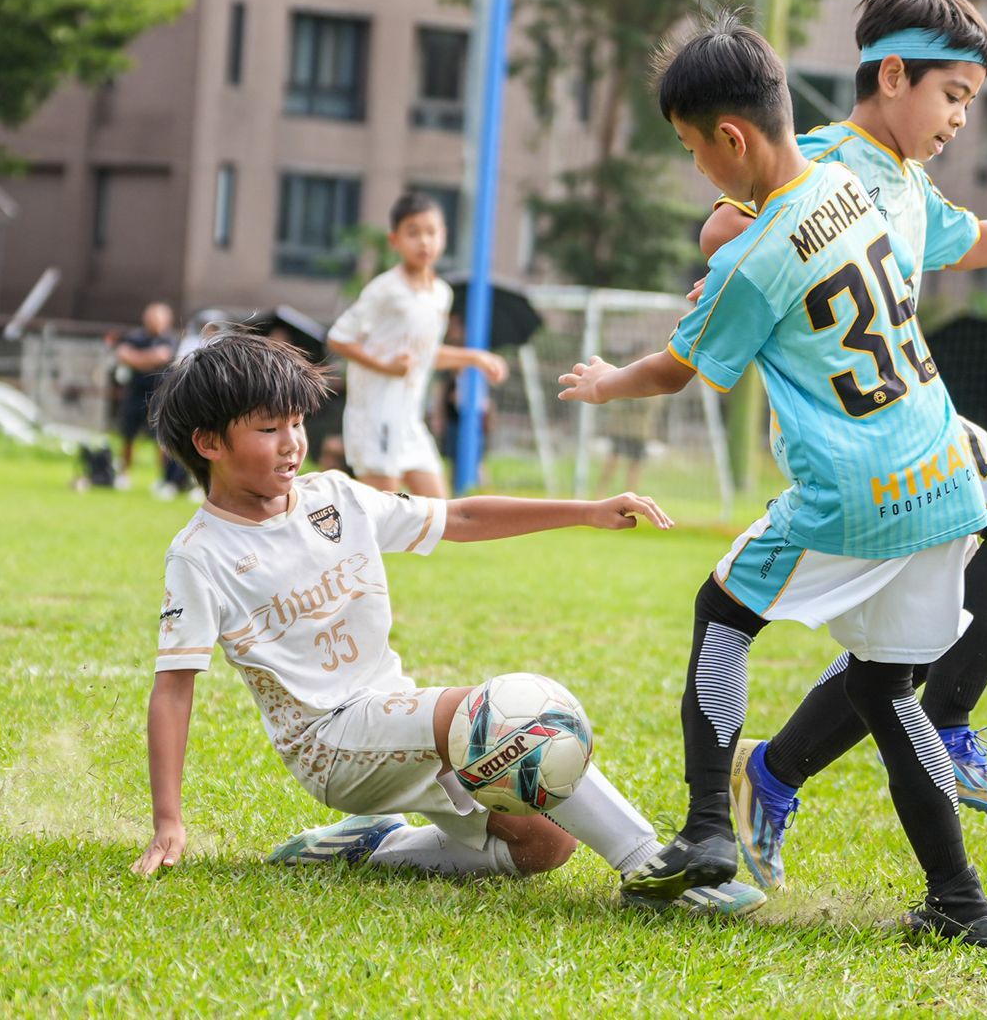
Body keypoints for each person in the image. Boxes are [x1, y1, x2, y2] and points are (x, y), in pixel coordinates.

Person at [560, 13, 987, 945]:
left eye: (692, 150)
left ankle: (707, 832)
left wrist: (604, 382)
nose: (698, 170)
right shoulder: (847, 185)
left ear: (731, 137)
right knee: (887, 688)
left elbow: (676, 372)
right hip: (944, 476)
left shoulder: (752, 259)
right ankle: (962, 903)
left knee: (722, 613)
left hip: (854, 493)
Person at [692, 0, 987, 833]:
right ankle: (844, 752)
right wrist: (753, 255)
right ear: (893, 74)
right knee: (890, 657)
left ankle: (897, 736)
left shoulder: (908, 181)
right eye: (954, 95)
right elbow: (722, 224)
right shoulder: (823, 157)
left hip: (912, 415)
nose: (962, 118)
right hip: (853, 436)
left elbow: (968, 239)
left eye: (972, 102)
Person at [130, 331, 763, 919]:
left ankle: (372, 847)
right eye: (269, 428)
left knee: (544, 846)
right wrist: (168, 822)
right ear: (209, 444)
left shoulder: (335, 498)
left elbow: (458, 517)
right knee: (506, 717)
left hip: (395, 712)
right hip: (328, 745)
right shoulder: (200, 554)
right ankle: (655, 868)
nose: (292, 441)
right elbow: (173, 689)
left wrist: (587, 511)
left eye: (296, 422)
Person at [328, 193, 508, 497]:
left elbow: (425, 355)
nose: (424, 241)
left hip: (410, 421)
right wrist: (386, 366)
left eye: (431, 232)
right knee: (384, 515)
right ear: (394, 240)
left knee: (440, 511)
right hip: (374, 420)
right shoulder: (384, 290)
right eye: (413, 233)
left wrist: (476, 358)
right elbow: (338, 338)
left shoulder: (441, 294)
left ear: (444, 236)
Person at [111, 301, 178, 489]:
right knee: (128, 436)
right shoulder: (135, 336)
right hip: (135, 394)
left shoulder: (171, 338)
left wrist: (136, 358)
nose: (154, 321)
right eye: (151, 317)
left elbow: (163, 356)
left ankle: (164, 479)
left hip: (160, 395)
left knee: (162, 439)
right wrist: (148, 358)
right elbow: (122, 354)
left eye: (158, 318)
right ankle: (123, 475)